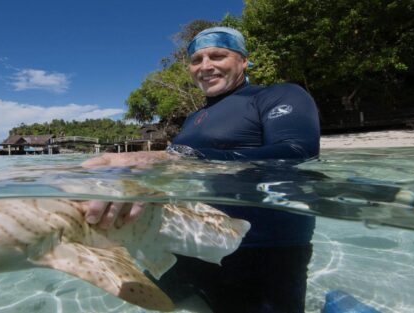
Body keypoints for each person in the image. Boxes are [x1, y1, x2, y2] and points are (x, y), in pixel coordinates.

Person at [82, 26, 320, 312]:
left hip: (267, 250)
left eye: (218, 56)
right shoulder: (194, 118)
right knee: (142, 299)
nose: (205, 66)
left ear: (243, 60)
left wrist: (177, 158)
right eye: (197, 60)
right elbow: (180, 174)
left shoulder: (278, 95)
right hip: (196, 242)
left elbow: (295, 154)